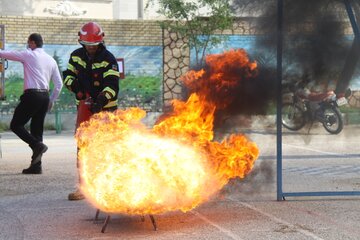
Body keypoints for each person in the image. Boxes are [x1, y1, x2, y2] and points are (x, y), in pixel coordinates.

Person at [63, 22, 120, 200]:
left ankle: (110, 187)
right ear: (82, 43)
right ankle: (84, 188)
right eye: (88, 45)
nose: (91, 48)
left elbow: (112, 85)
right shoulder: (76, 56)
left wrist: (101, 100)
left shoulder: (108, 59)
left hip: (106, 110)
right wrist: (76, 89)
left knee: (107, 147)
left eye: (94, 45)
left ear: (100, 42)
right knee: (83, 147)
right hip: (85, 108)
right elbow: (68, 76)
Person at [0, 33, 63, 174]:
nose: (27, 45)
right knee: (37, 130)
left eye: (28, 43)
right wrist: (51, 100)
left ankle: (36, 145)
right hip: (45, 96)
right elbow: (59, 84)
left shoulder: (29, 55)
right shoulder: (51, 60)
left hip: (32, 95)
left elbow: (4, 53)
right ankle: (36, 166)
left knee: (16, 125)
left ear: (33, 43)